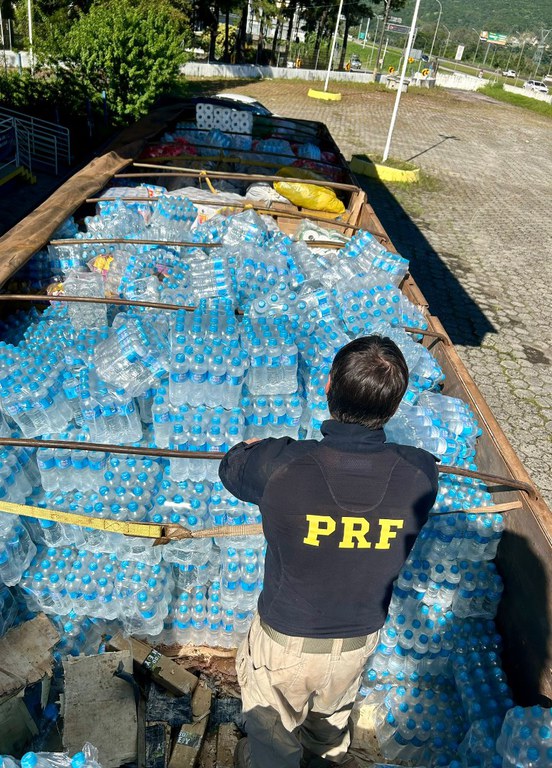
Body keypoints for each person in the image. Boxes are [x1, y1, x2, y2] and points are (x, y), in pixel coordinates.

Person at [219, 336, 439, 768]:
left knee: (272, 737)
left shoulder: (279, 466)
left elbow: (231, 466)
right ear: (393, 407)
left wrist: (265, 445)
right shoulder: (420, 474)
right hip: (358, 641)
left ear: (327, 386)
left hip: (286, 641)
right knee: (331, 727)